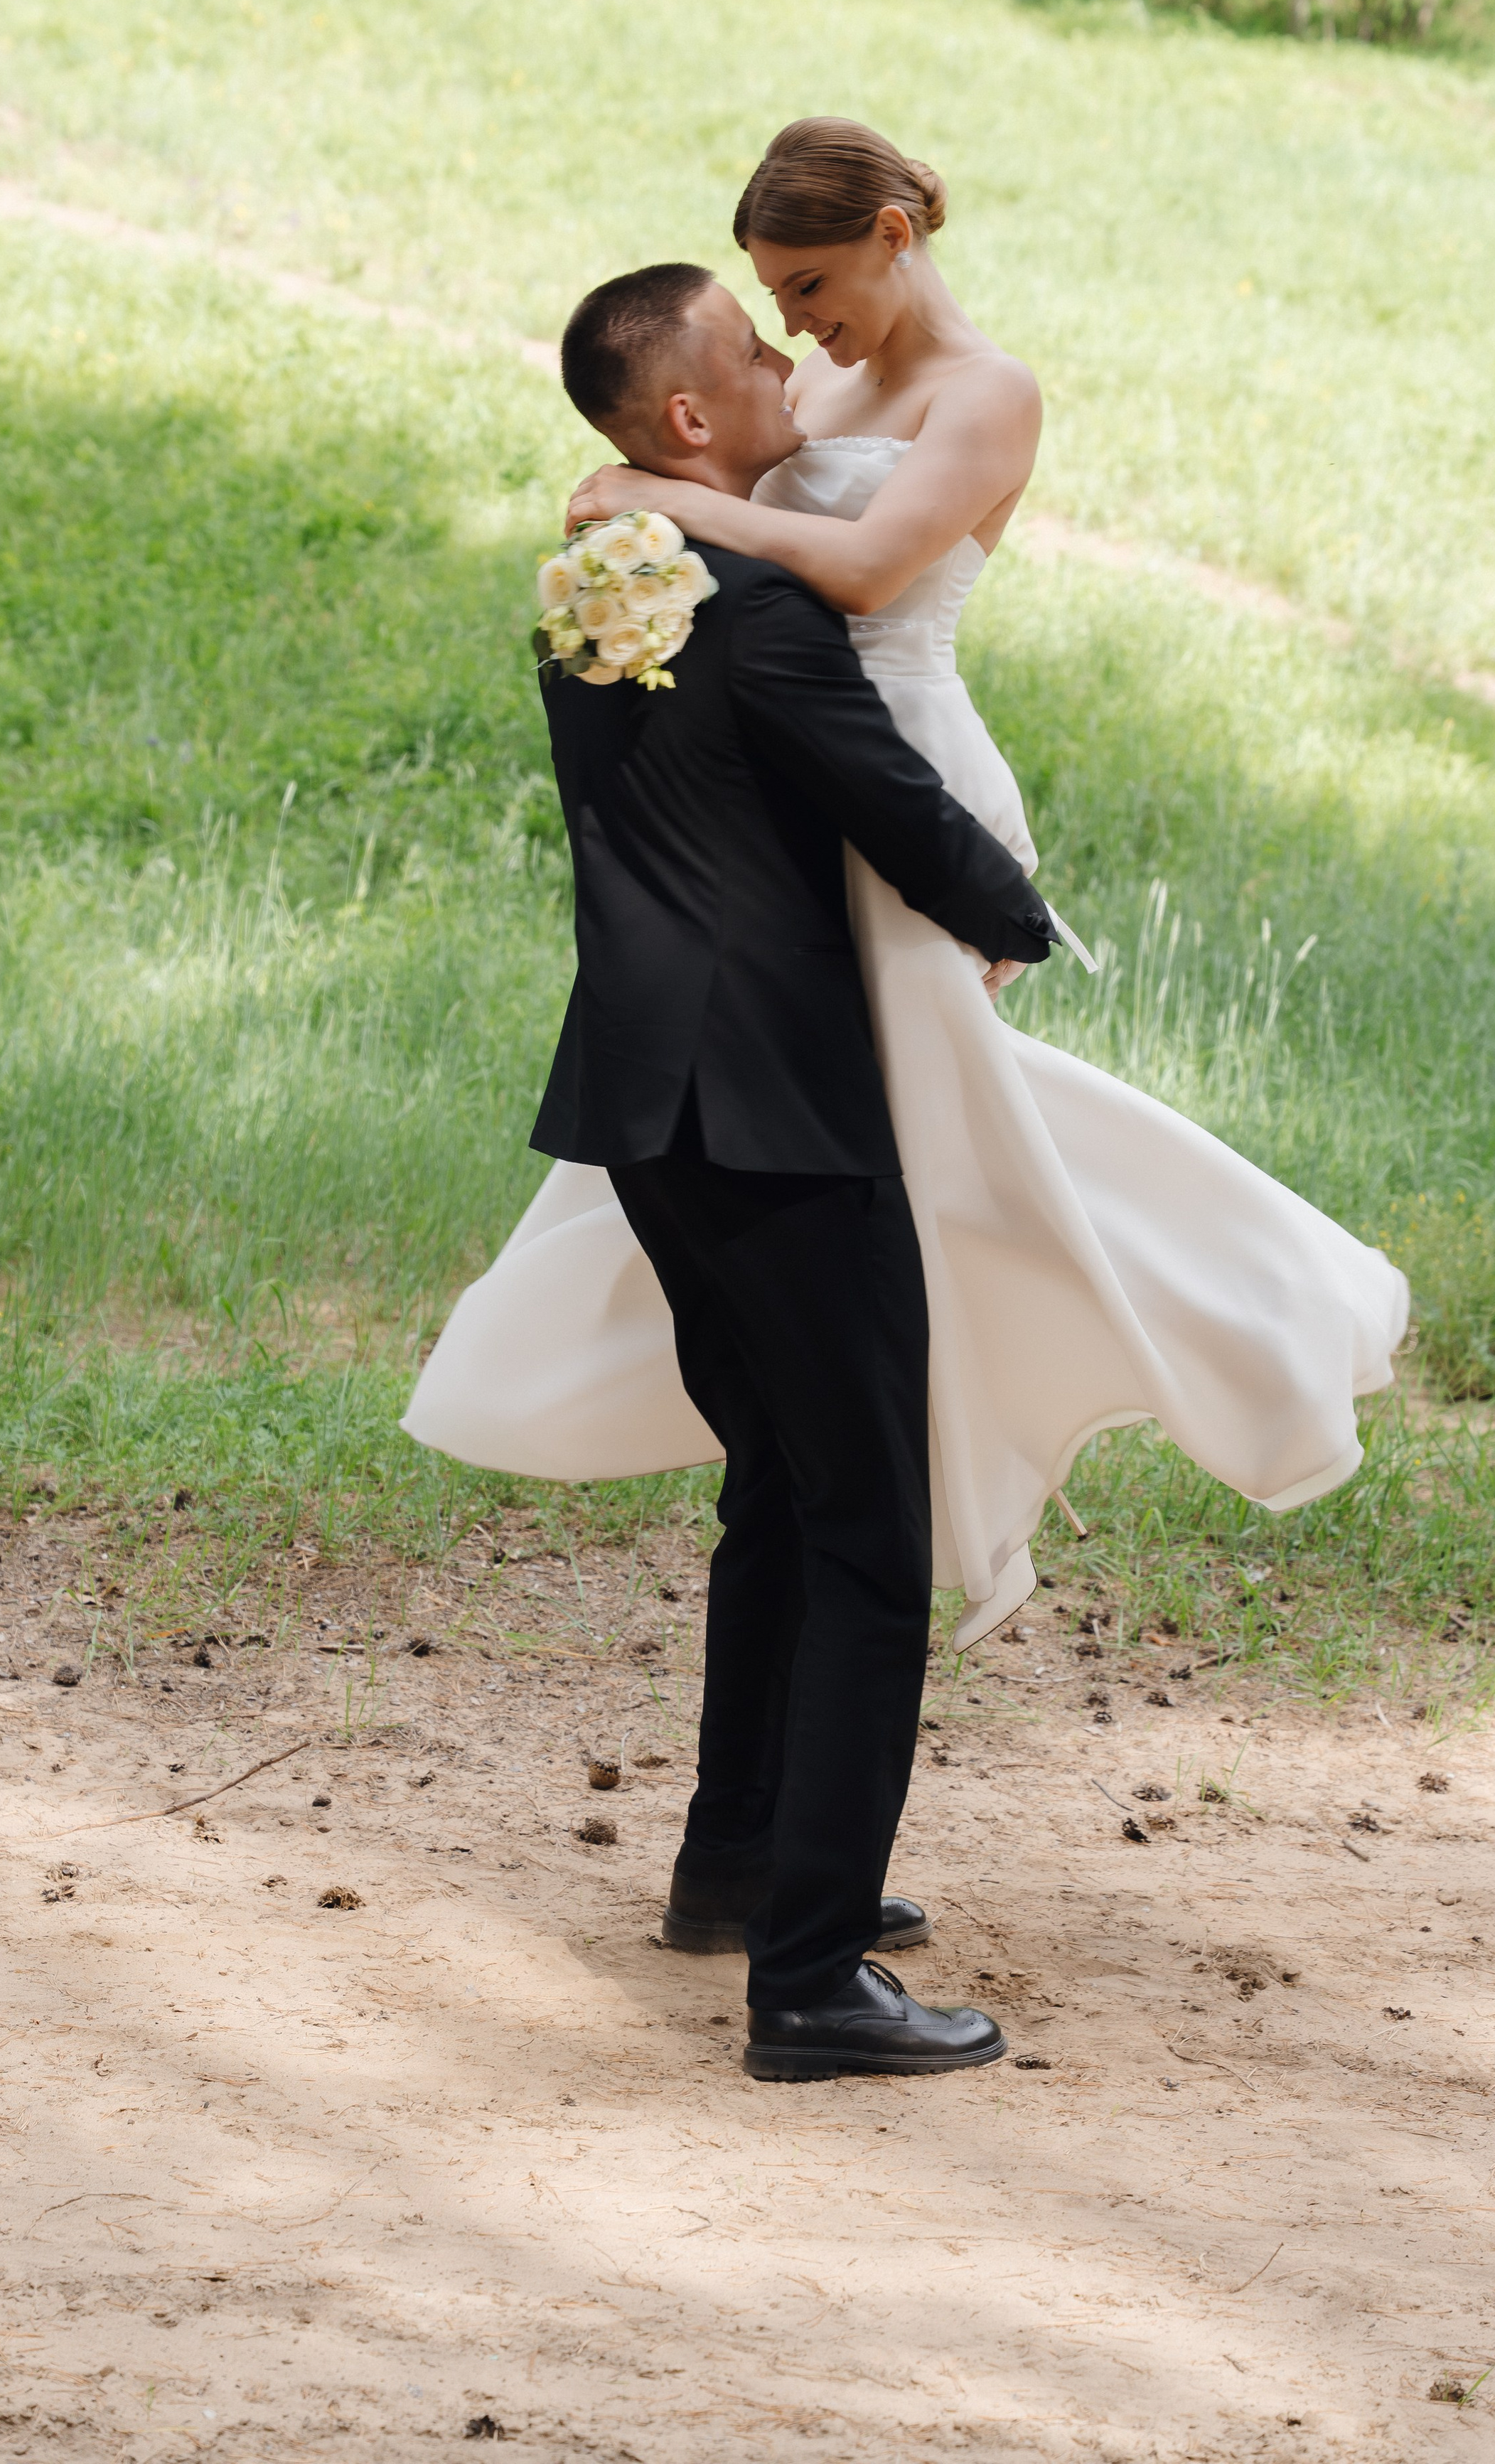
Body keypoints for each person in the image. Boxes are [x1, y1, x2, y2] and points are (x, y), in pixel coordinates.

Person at [406, 119, 1408, 1654]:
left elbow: (868, 570)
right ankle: (831, 1411)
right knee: (822, 1111)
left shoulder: (982, 393)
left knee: (924, 1114)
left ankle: (1132, 1342)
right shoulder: (810, 383)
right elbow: (722, 460)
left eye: (809, 283)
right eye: (769, 300)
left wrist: (655, 505)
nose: (796, 326)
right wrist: (656, 488)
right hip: (788, 771)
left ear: (894, 230)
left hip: (900, 760)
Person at [432, 257, 1058, 2079]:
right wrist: (1017, 919)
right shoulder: (753, 606)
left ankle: (737, 1865)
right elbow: (885, 798)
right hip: (775, 1117)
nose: (789, 357)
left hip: (645, 1110)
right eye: (753, 344)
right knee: (872, 1527)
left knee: (779, 1489)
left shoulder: (593, 592)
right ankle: (810, 1983)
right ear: (690, 420)